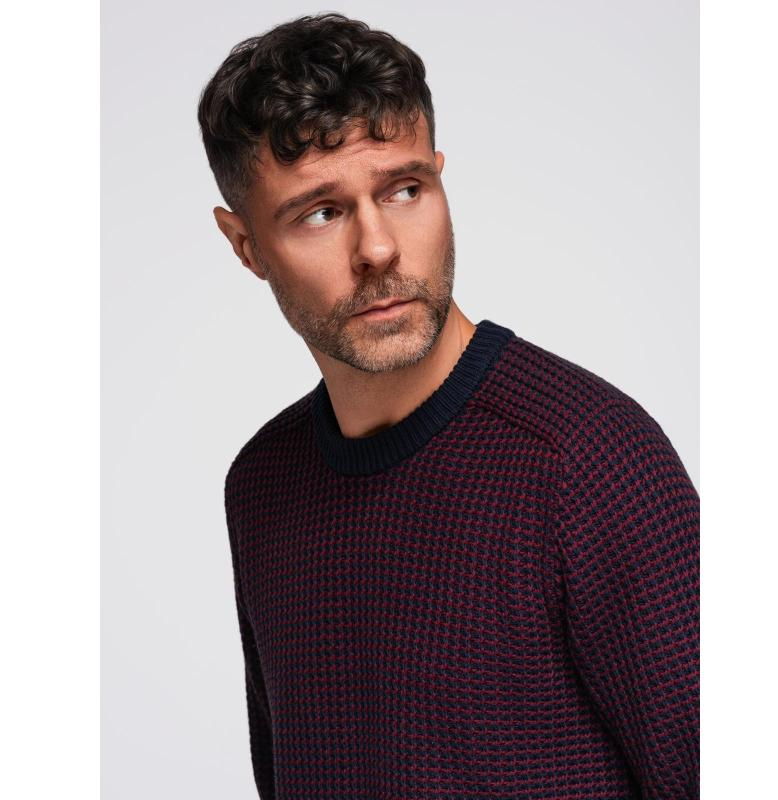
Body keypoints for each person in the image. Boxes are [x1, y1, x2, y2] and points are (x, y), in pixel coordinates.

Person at [197, 12, 699, 800]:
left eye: (404, 190)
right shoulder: (262, 485)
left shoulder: (591, 463)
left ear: (439, 179)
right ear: (246, 245)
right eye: (321, 212)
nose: (378, 249)